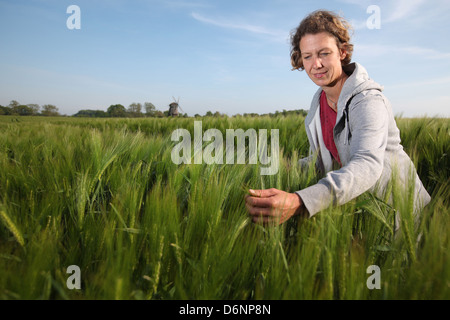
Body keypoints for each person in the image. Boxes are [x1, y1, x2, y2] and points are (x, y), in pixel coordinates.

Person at [245, 10, 431, 225]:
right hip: (366, 215)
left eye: (324, 53)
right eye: (308, 56)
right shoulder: (318, 105)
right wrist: (288, 166)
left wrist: (300, 201)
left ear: (342, 53)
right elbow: (328, 159)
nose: (316, 64)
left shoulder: (367, 100)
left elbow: (367, 164)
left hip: (402, 213)